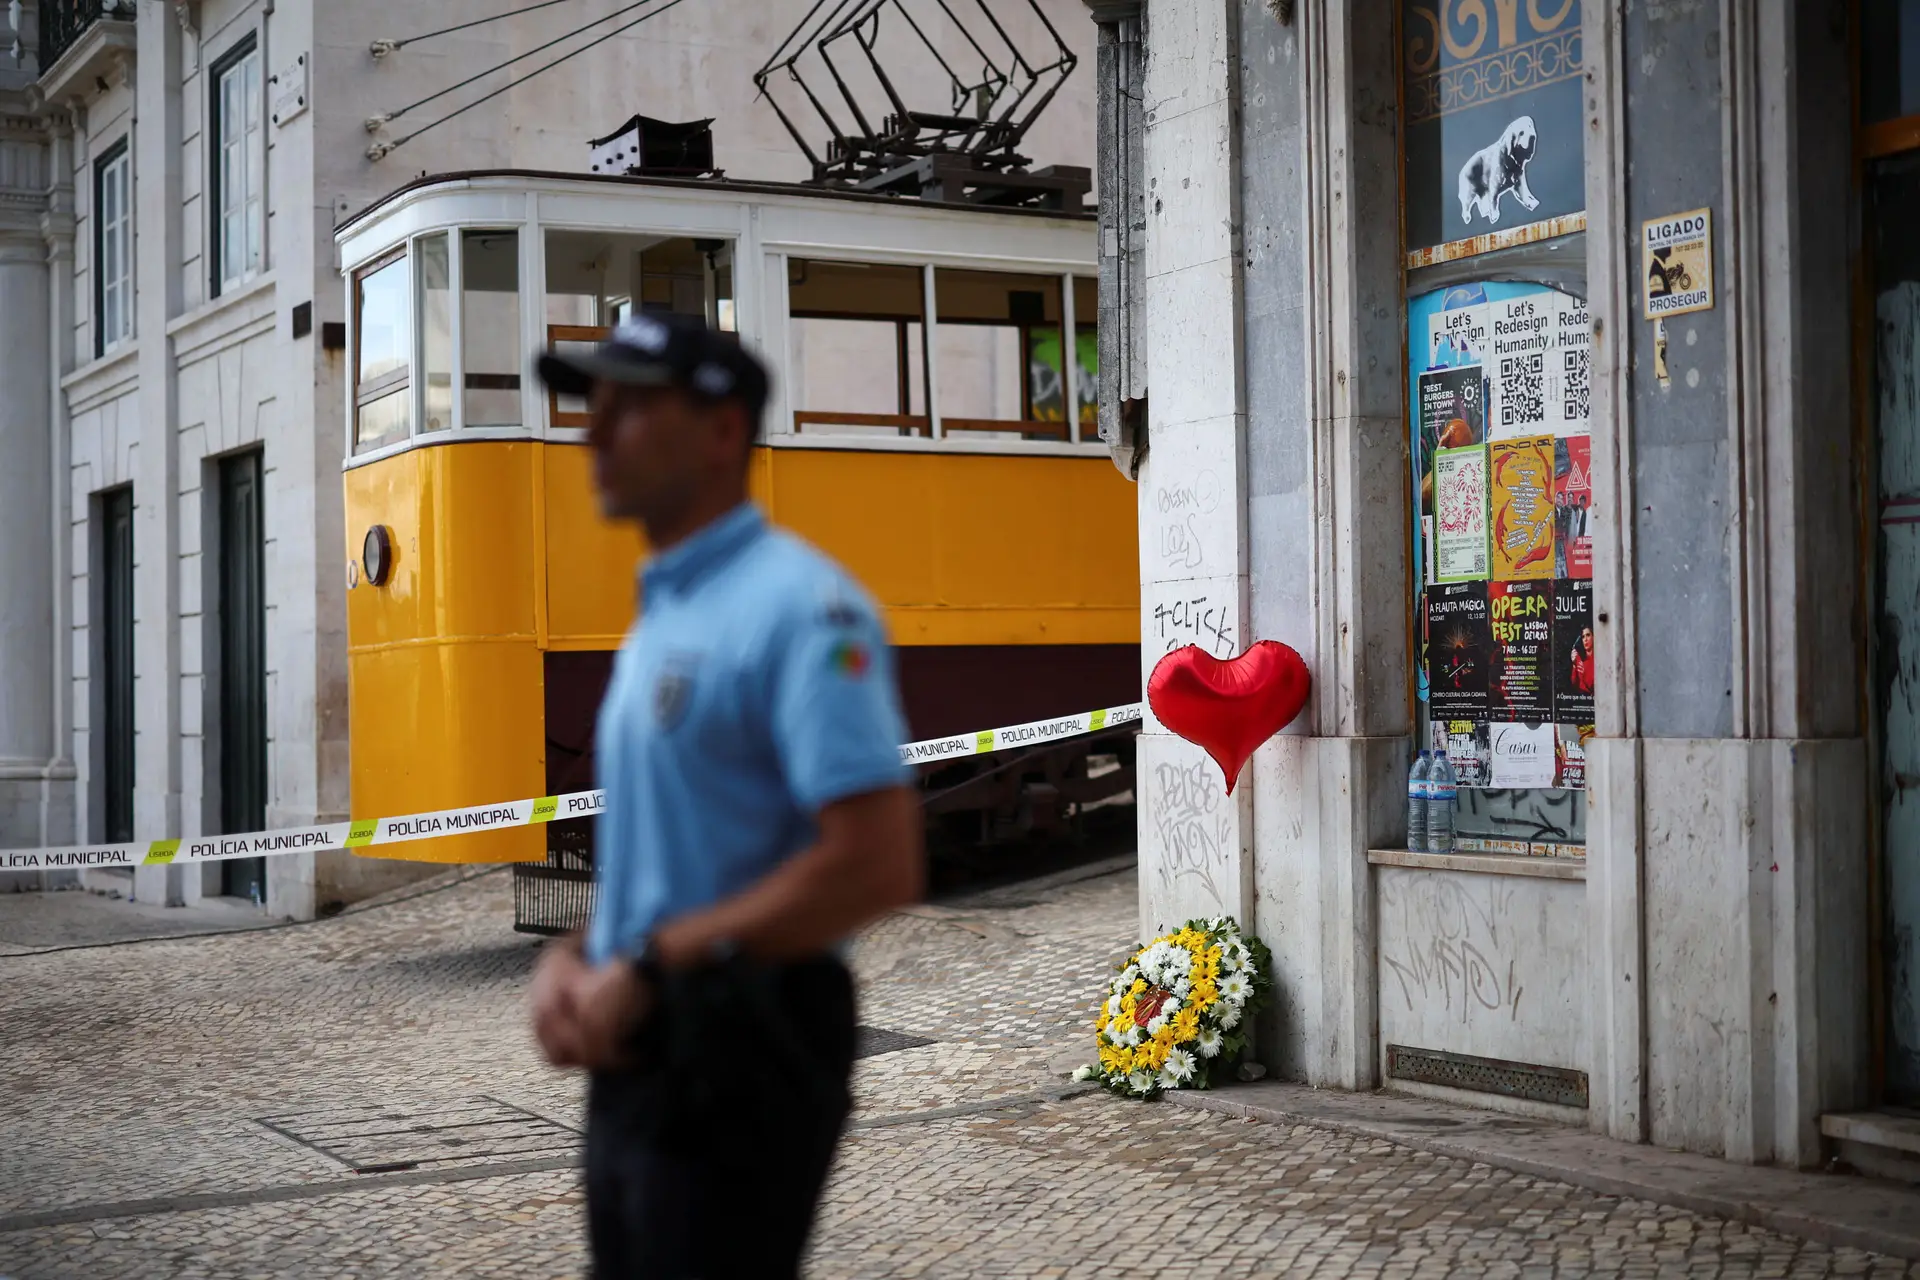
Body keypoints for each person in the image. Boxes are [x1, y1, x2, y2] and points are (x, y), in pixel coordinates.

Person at [527, 312, 925, 1278]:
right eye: (594, 403)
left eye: (628, 406)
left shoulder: (801, 607)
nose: (593, 430)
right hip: (641, 1038)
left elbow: (875, 863)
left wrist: (658, 965)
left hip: (743, 1039)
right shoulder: (665, 609)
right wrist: (579, 955)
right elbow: (666, 858)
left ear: (720, 432)